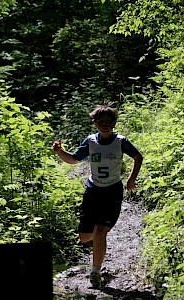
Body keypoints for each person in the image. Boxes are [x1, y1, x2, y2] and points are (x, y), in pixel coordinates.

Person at [52, 103, 143, 289]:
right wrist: (59, 152)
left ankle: (95, 272)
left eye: (109, 121)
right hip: (93, 190)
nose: (105, 124)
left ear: (114, 123)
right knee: (85, 237)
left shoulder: (121, 141)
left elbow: (138, 157)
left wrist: (131, 179)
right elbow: (75, 159)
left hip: (113, 191)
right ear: (95, 123)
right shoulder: (91, 141)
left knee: (101, 231)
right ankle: (98, 248)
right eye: (101, 121)